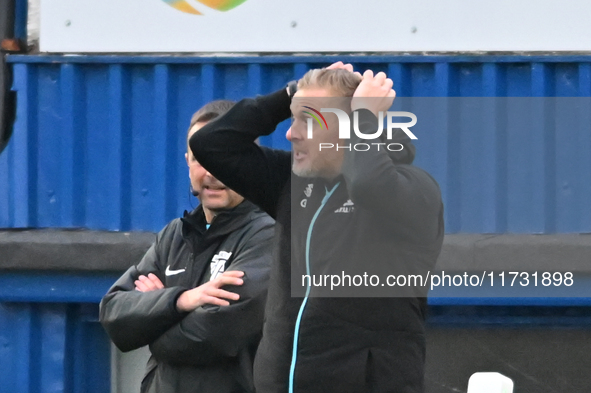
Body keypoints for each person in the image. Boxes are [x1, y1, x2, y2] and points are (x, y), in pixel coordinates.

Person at [189, 64, 444, 393]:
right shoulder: (290, 183)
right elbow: (211, 143)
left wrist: (364, 114)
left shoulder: (414, 189)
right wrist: (289, 96)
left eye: (307, 121)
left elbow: (367, 182)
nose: (291, 133)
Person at [99, 100, 275, 393]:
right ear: (187, 161)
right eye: (200, 158)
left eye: (225, 157)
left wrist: (152, 323)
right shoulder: (174, 235)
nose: (212, 172)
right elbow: (113, 314)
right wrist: (180, 301)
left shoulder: (269, 234)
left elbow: (212, 335)